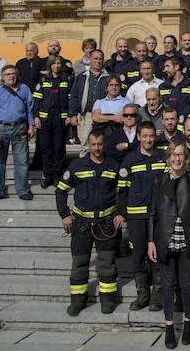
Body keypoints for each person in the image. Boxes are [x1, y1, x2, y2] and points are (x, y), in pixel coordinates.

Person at [56, 131, 124, 316]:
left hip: (107, 223)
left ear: (104, 144)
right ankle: (78, 300)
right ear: (88, 144)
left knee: (106, 263)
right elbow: (61, 190)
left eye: (100, 144)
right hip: (82, 224)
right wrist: (65, 215)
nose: (96, 148)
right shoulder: (77, 166)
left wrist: (121, 213)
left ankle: (108, 299)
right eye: (93, 144)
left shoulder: (113, 166)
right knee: (79, 263)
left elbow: (124, 192)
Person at [148, 144, 190, 349]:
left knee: (187, 283)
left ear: (186, 158)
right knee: (167, 284)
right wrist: (150, 242)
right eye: (173, 154)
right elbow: (152, 213)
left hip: (187, 238)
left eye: (181, 154)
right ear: (168, 157)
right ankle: (169, 326)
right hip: (164, 239)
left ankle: (189, 323)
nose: (177, 158)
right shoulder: (159, 180)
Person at [118, 122, 167, 313]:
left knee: (156, 255)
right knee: (138, 254)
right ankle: (142, 293)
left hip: (158, 216)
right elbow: (122, 190)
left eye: (151, 136)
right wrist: (121, 212)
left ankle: (157, 294)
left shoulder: (163, 158)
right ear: (138, 137)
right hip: (136, 216)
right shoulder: (130, 160)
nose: (148, 139)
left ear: (155, 137)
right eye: (144, 136)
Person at [0, 64, 35, 201]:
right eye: (8, 74)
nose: (11, 76)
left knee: (22, 161)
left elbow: (30, 108)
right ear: (3, 77)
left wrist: (31, 126)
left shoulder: (24, 89)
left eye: (13, 73)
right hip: (2, 129)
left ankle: (23, 190)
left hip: (20, 128)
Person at [32, 55, 73, 188]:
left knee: (59, 148)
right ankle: (47, 176)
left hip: (61, 118)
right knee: (46, 148)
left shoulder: (66, 79)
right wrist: (36, 116)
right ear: (50, 65)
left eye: (58, 63)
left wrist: (69, 115)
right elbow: (37, 100)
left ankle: (57, 176)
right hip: (45, 118)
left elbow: (71, 99)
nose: (57, 66)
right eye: (54, 63)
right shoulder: (43, 80)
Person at [69, 49, 111, 154]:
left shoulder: (109, 77)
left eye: (101, 59)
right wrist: (73, 114)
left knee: (103, 145)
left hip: (104, 116)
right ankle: (85, 167)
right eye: (95, 59)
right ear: (90, 60)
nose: (98, 61)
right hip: (86, 115)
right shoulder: (82, 77)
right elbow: (74, 96)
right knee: (86, 146)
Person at [91, 74, 127, 140]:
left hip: (117, 135)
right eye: (111, 85)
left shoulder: (126, 102)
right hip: (101, 136)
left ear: (120, 87)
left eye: (116, 85)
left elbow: (121, 118)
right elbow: (95, 117)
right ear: (107, 87)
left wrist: (102, 117)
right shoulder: (99, 102)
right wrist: (114, 117)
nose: (114, 87)